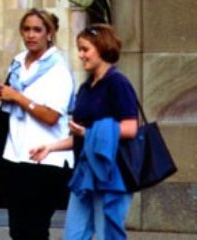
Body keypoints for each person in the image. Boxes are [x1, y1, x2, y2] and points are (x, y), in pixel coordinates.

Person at [30, 24, 138, 240]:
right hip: (85, 171)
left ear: (102, 48)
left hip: (112, 173)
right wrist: (50, 147)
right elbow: (79, 134)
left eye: (85, 49)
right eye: (79, 49)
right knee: (74, 235)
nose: (80, 55)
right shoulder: (86, 87)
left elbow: (130, 128)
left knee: (108, 235)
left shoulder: (117, 83)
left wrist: (89, 133)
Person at [0, 8, 74, 240]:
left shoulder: (58, 70)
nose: (31, 35)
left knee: (35, 229)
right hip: (14, 154)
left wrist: (17, 97)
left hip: (45, 158)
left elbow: (52, 116)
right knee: (17, 230)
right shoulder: (17, 62)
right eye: (26, 29)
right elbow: (14, 99)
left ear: (49, 33)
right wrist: (1, 92)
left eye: (37, 30)